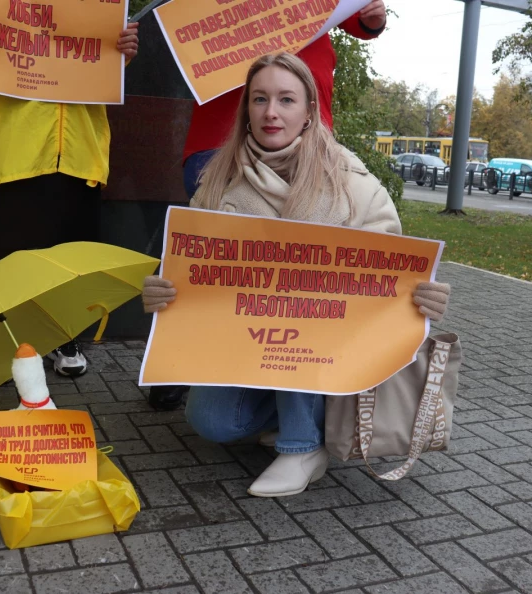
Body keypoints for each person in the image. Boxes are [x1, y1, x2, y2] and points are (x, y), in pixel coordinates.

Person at [142, 53, 451, 497]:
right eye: (260, 99)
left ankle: (302, 445)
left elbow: (391, 273)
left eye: (287, 100)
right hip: (247, 342)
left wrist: (422, 299)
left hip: (334, 348)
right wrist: (162, 290)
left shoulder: (353, 183)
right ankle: (301, 419)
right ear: (245, 109)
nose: (271, 112)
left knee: (299, 305)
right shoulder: (216, 182)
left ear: (309, 112)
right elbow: (191, 272)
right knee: (211, 422)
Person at [148, 0, 388, 411]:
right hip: (219, 141)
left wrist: (374, 19)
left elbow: (362, 17)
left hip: (309, 148)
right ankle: (186, 362)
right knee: (214, 252)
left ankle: (290, 405)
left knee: (295, 277)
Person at [0, 0, 138, 377]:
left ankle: (64, 335)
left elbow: (100, 64)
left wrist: (120, 49)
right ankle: (7, 343)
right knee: (11, 260)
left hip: (79, 152)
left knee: (72, 258)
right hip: (14, 150)